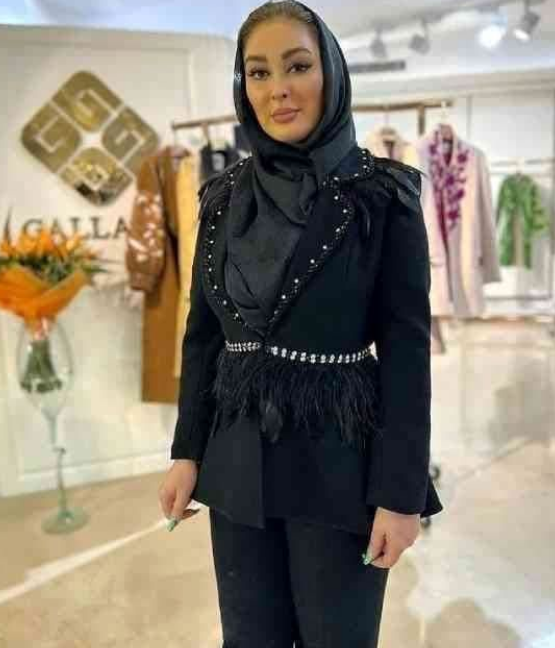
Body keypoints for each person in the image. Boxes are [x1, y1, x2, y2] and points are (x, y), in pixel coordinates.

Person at [158, 2, 443, 646]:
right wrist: (186, 452)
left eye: (297, 66)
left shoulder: (381, 196)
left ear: (331, 73)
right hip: (236, 463)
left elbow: (407, 356)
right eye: (258, 72)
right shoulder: (223, 198)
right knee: (248, 636)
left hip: (338, 466)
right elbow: (203, 337)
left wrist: (400, 495)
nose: (277, 89)